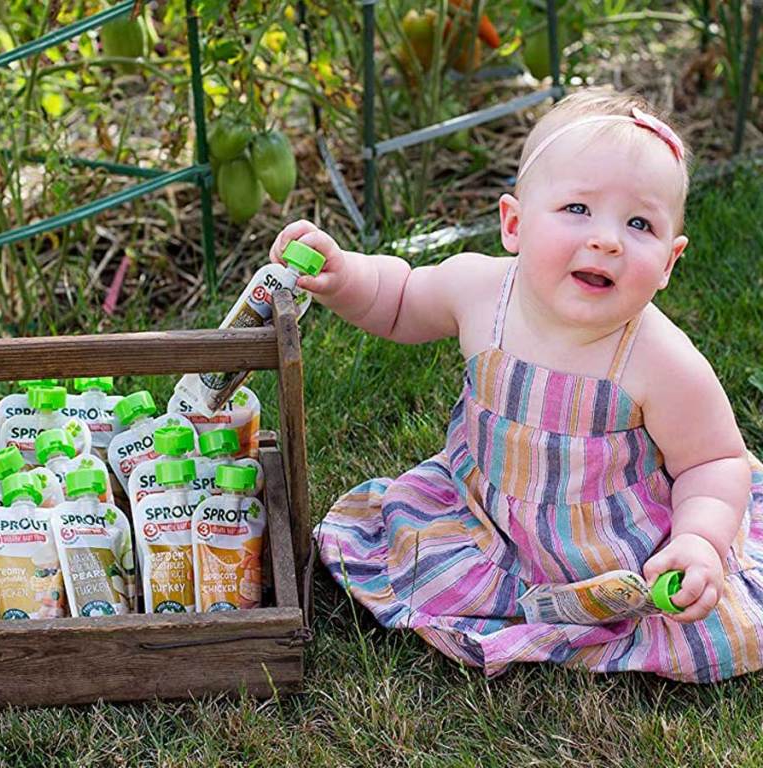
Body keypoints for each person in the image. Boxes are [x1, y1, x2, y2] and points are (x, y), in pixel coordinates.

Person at [269, 87, 763, 683]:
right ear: (514, 223)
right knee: (416, 552)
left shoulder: (659, 360)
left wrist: (700, 540)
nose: (606, 239)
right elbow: (398, 300)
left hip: (613, 545)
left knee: (702, 627)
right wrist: (346, 275)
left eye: (639, 223)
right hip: (488, 515)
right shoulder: (481, 292)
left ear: (668, 263)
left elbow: (714, 461)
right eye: (577, 209)